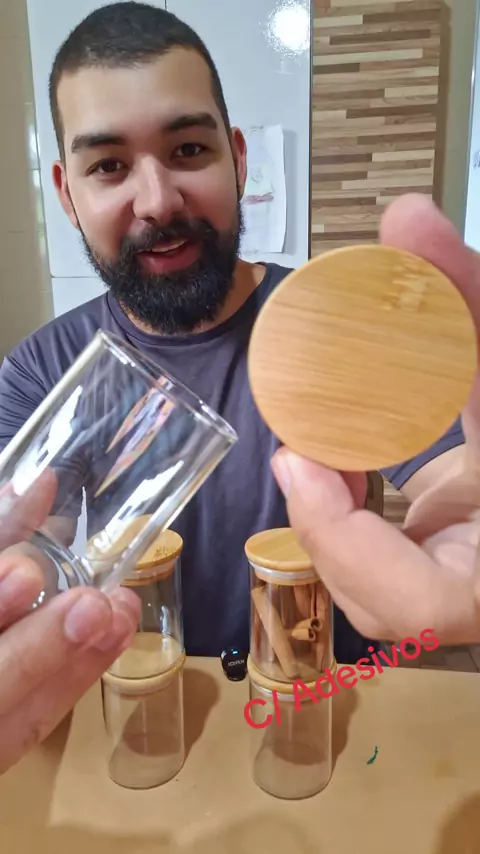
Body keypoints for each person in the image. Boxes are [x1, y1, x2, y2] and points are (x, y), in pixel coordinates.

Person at [0, 4, 466, 670]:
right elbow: (32, 536)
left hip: (328, 694)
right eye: (108, 166)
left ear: (239, 160)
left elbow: (455, 476)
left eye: (188, 150)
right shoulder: (42, 369)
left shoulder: (335, 327)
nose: (157, 201)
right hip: (149, 693)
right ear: (67, 195)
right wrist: (20, 581)